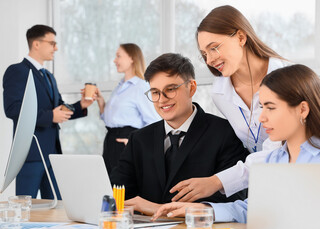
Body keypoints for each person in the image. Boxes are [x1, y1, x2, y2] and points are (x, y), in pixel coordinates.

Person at [152, 64, 320, 222]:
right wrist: (204, 209)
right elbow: (255, 209)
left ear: (302, 110)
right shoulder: (273, 160)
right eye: (261, 108)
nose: (261, 118)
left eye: (270, 108)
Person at [170, 5, 292, 203]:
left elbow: (277, 151)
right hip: (259, 185)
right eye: (204, 54)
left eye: (214, 47)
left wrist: (217, 181)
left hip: (296, 177)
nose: (210, 60)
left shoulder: (286, 79)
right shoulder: (220, 92)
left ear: (241, 38)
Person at [110, 53, 249, 216]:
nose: (162, 99)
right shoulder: (139, 139)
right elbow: (118, 192)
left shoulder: (225, 133)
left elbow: (234, 198)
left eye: (170, 89)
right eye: (155, 92)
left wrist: (160, 209)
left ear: (191, 88)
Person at [3, 25, 95, 199]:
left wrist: (81, 105)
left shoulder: (49, 76)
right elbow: (13, 109)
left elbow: (59, 108)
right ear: (36, 44)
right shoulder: (17, 71)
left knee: (56, 207)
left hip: (52, 155)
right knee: (25, 208)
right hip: (29, 154)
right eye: (52, 43)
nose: (56, 48)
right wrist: (50, 116)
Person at [96, 43, 160, 176]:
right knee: (109, 184)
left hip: (127, 141)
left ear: (132, 58)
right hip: (110, 140)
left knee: (124, 187)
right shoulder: (120, 86)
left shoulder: (141, 87)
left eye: (118, 56)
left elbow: (154, 122)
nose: (114, 60)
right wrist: (102, 104)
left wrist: (135, 142)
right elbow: (113, 119)